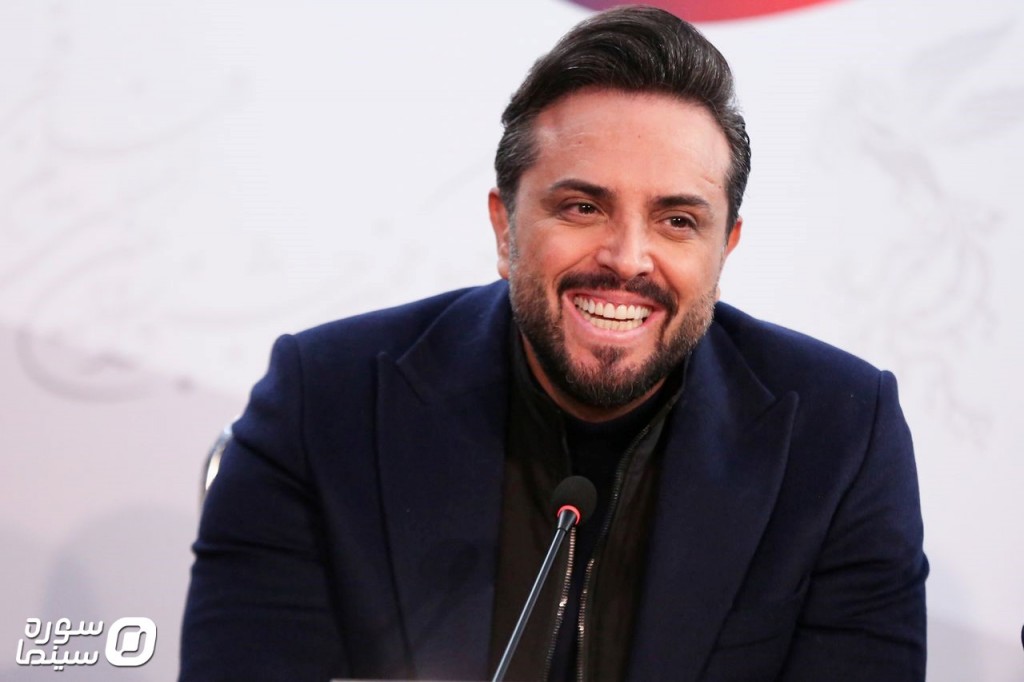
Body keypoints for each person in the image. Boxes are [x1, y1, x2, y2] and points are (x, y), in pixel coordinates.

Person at [181, 6, 927, 681]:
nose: (627, 259)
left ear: (724, 249)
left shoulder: (837, 438)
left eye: (677, 221)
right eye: (581, 206)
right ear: (505, 228)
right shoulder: (325, 405)